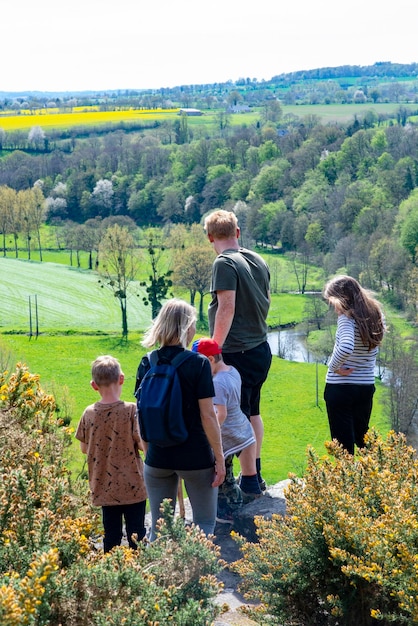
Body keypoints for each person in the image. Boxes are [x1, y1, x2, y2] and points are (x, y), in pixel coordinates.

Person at [134, 299, 225, 541]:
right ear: (188, 327)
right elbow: (208, 416)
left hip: (157, 458)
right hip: (195, 457)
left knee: (159, 530)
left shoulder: (147, 362)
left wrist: (149, 453)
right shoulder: (198, 364)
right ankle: (198, 578)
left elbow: (140, 414)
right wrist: (220, 459)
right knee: (204, 524)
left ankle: (157, 578)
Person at [204, 209, 272, 491]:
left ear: (210, 238)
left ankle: (243, 483)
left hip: (235, 352)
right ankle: (254, 474)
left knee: (233, 417)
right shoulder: (257, 259)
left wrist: (213, 350)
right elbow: (267, 299)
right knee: (252, 412)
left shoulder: (224, 263)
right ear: (238, 232)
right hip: (260, 348)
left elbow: (226, 307)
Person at [75, 355, 147, 552]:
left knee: (111, 536)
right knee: (137, 535)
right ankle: (139, 576)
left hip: (104, 487)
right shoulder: (131, 410)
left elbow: (83, 448)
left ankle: (112, 576)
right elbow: (142, 446)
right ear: (121, 379)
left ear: (93, 385)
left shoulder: (88, 413)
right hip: (133, 486)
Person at [192, 337, 261, 522]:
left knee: (224, 477)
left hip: (228, 435)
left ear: (210, 360)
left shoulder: (216, 383)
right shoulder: (232, 371)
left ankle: (231, 512)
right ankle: (243, 501)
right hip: (241, 428)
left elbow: (219, 414)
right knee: (229, 473)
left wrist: (209, 433)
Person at [323, 275, 385, 455]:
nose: (333, 308)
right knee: (363, 437)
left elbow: (346, 347)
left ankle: (346, 481)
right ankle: (379, 474)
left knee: (343, 445)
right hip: (365, 386)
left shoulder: (346, 318)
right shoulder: (376, 315)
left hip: (340, 389)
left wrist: (333, 367)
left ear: (341, 300)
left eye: (332, 302)